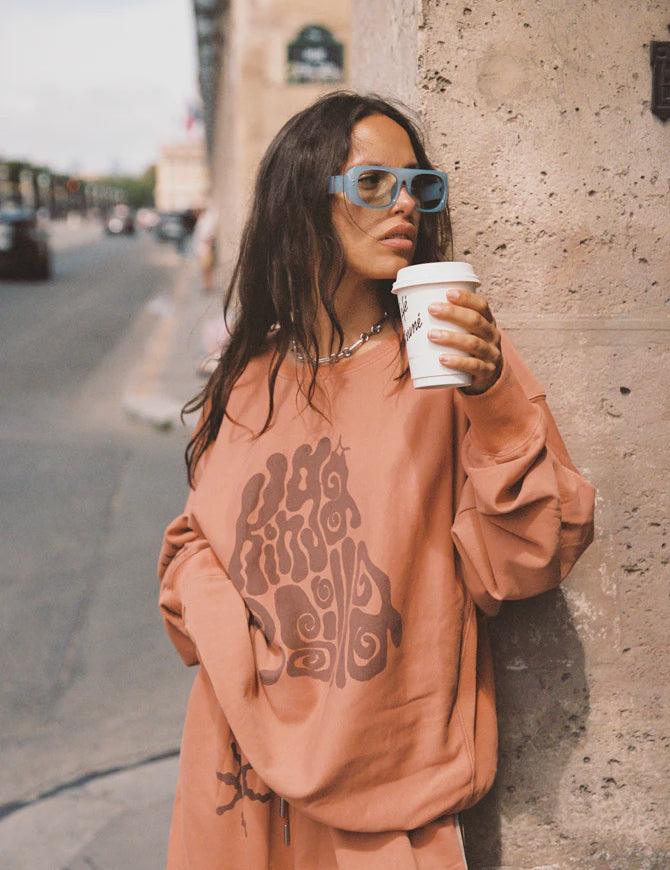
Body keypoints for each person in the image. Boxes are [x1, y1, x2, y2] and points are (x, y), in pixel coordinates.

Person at [158, 91, 595, 870]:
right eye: (371, 182)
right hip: (237, 780)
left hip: (390, 796)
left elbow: (528, 558)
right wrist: (228, 629)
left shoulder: (453, 365)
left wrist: (492, 394)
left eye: (419, 184)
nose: (405, 203)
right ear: (303, 198)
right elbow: (192, 550)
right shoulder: (248, 378)